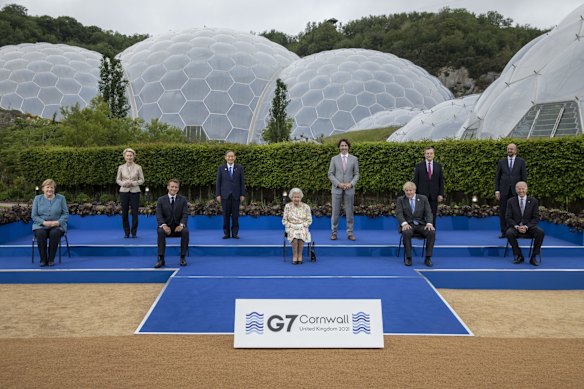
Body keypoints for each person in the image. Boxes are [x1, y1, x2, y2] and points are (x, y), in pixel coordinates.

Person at [395, 181, 436, 267]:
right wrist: (404, 223)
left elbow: (429, 212)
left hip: (421, 224)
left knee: (431, 232)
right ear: (404, 191)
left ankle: (428, 258)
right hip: (408, 224)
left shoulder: (423, 198)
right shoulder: (400, 200)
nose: (408, 192)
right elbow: (399, 213)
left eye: (410, 190)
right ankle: (409, 258)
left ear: (414, 190)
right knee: (406, 232)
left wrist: (429, 223)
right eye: (406, 190)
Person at [505, 181, 544, 266]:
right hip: (516, 227)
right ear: (516, 190)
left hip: (529, 227)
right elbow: (508, 217)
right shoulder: (510, 201)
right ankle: (519, 255)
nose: (521, 190)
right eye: (519, 188)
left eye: (523, 188)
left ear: (526, 189)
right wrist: (516, 226)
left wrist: (526, 226)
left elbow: (536, 218)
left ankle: (533, 257)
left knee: (540, 232)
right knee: (509, 233)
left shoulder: (534, 201)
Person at [31, 179, 69, 267]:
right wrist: (43, 222)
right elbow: (34, 215)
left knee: (54, 233)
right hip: (41, 225)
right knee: (40, 233)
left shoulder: (61, 198)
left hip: (57, 225)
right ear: (43, 189)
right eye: (47, 187)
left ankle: (51, 259)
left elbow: (65, 214)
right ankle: (43, 260)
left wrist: (58, 222)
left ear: (54, 189)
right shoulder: (37, 199)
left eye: (51, 187)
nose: (49, 189)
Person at [328, 138, 359, 241]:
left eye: (345, 145)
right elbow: (330, 174)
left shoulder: (354, 159)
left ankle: (350, 233)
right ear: (339, 147)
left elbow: (357, 174)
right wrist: (339, 184)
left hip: (349, 190)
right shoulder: (334, 159)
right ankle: (334, 233)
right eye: (342, 146)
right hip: (337, 189)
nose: (343, 147)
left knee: (349, 212)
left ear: (348, 147)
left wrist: (351, 184)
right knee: (335, 212)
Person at [154, 179, 189, 268]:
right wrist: (164, 225)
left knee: (185, 231)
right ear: (168, 187)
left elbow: (185, 214)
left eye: (176, 187)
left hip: (178, 227)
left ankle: (182, 257)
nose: (174, 189)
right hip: (166, 227)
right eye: (172, 186)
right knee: (160, 231)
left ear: (178, 188)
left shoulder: (183, 200)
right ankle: (161, 259)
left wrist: (181, 225)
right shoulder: (161, 200)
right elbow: (159, 215)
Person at [495, 143, 526, 238]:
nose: (510, 150)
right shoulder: (502, 162)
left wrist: (523, 190)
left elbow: (524, 176)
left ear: (515, 150)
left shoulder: (521, 161)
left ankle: (515, 232)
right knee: (503, 211)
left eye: (512, 149)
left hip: (516, 191)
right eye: (508, 149)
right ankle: (504, 232)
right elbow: (497, 177)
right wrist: (497, 190)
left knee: (516, 212)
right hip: (504, 191)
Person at [215, 150, 246, 239]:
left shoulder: (240, 168)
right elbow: (218, 182)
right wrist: (218, 194)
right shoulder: (221, 168)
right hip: (225, 195)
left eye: (232, 156)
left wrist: (242, 194)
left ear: (235, 158)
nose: (230, 158)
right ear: (225, 157)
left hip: (236, 195)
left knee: (235, 216)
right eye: (228, 156)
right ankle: (226, 233)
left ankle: (235, 233)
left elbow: (242, 182)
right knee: (225, 216)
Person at [413, 146, 444, 229]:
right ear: (424, 154)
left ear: (434, 155)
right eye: (427, 153)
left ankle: (432, 232)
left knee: (433, 214)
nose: (429, 155)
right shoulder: (419, 166)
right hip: (421, 195)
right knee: (421, 214)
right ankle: (422, 231)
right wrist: (414, 194)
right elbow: (415, 181)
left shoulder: (438, 166)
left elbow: (441, 181)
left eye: (431, 153)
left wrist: (441, 194)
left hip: (434, 195)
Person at [116, 148, 145, 238]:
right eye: (127, 155)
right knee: (124, 212)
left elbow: (142, 180)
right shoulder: (120, 167)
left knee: (135, 213)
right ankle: (126, 232)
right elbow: (117, 179)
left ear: (133, 156)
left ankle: (134, 233)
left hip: (135, 191)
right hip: (124, 191)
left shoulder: (138, 167)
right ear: (124, 157)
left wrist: (134, 183)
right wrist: (123, 183)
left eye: (131, 155)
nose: (129, 157)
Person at [282, 188, 313, 265]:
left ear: (301, 197)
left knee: (301, 234)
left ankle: (300, 255)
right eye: (294, 197)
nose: (296, 199)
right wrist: (291, 225)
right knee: (295, 236)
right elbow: (284, 220)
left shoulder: (306, 207)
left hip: (302, 226)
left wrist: (303, 225)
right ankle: (295, 255)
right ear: (291, 198)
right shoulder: (287, 206)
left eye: (298, 197)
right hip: (291, 227)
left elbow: (309, 220)